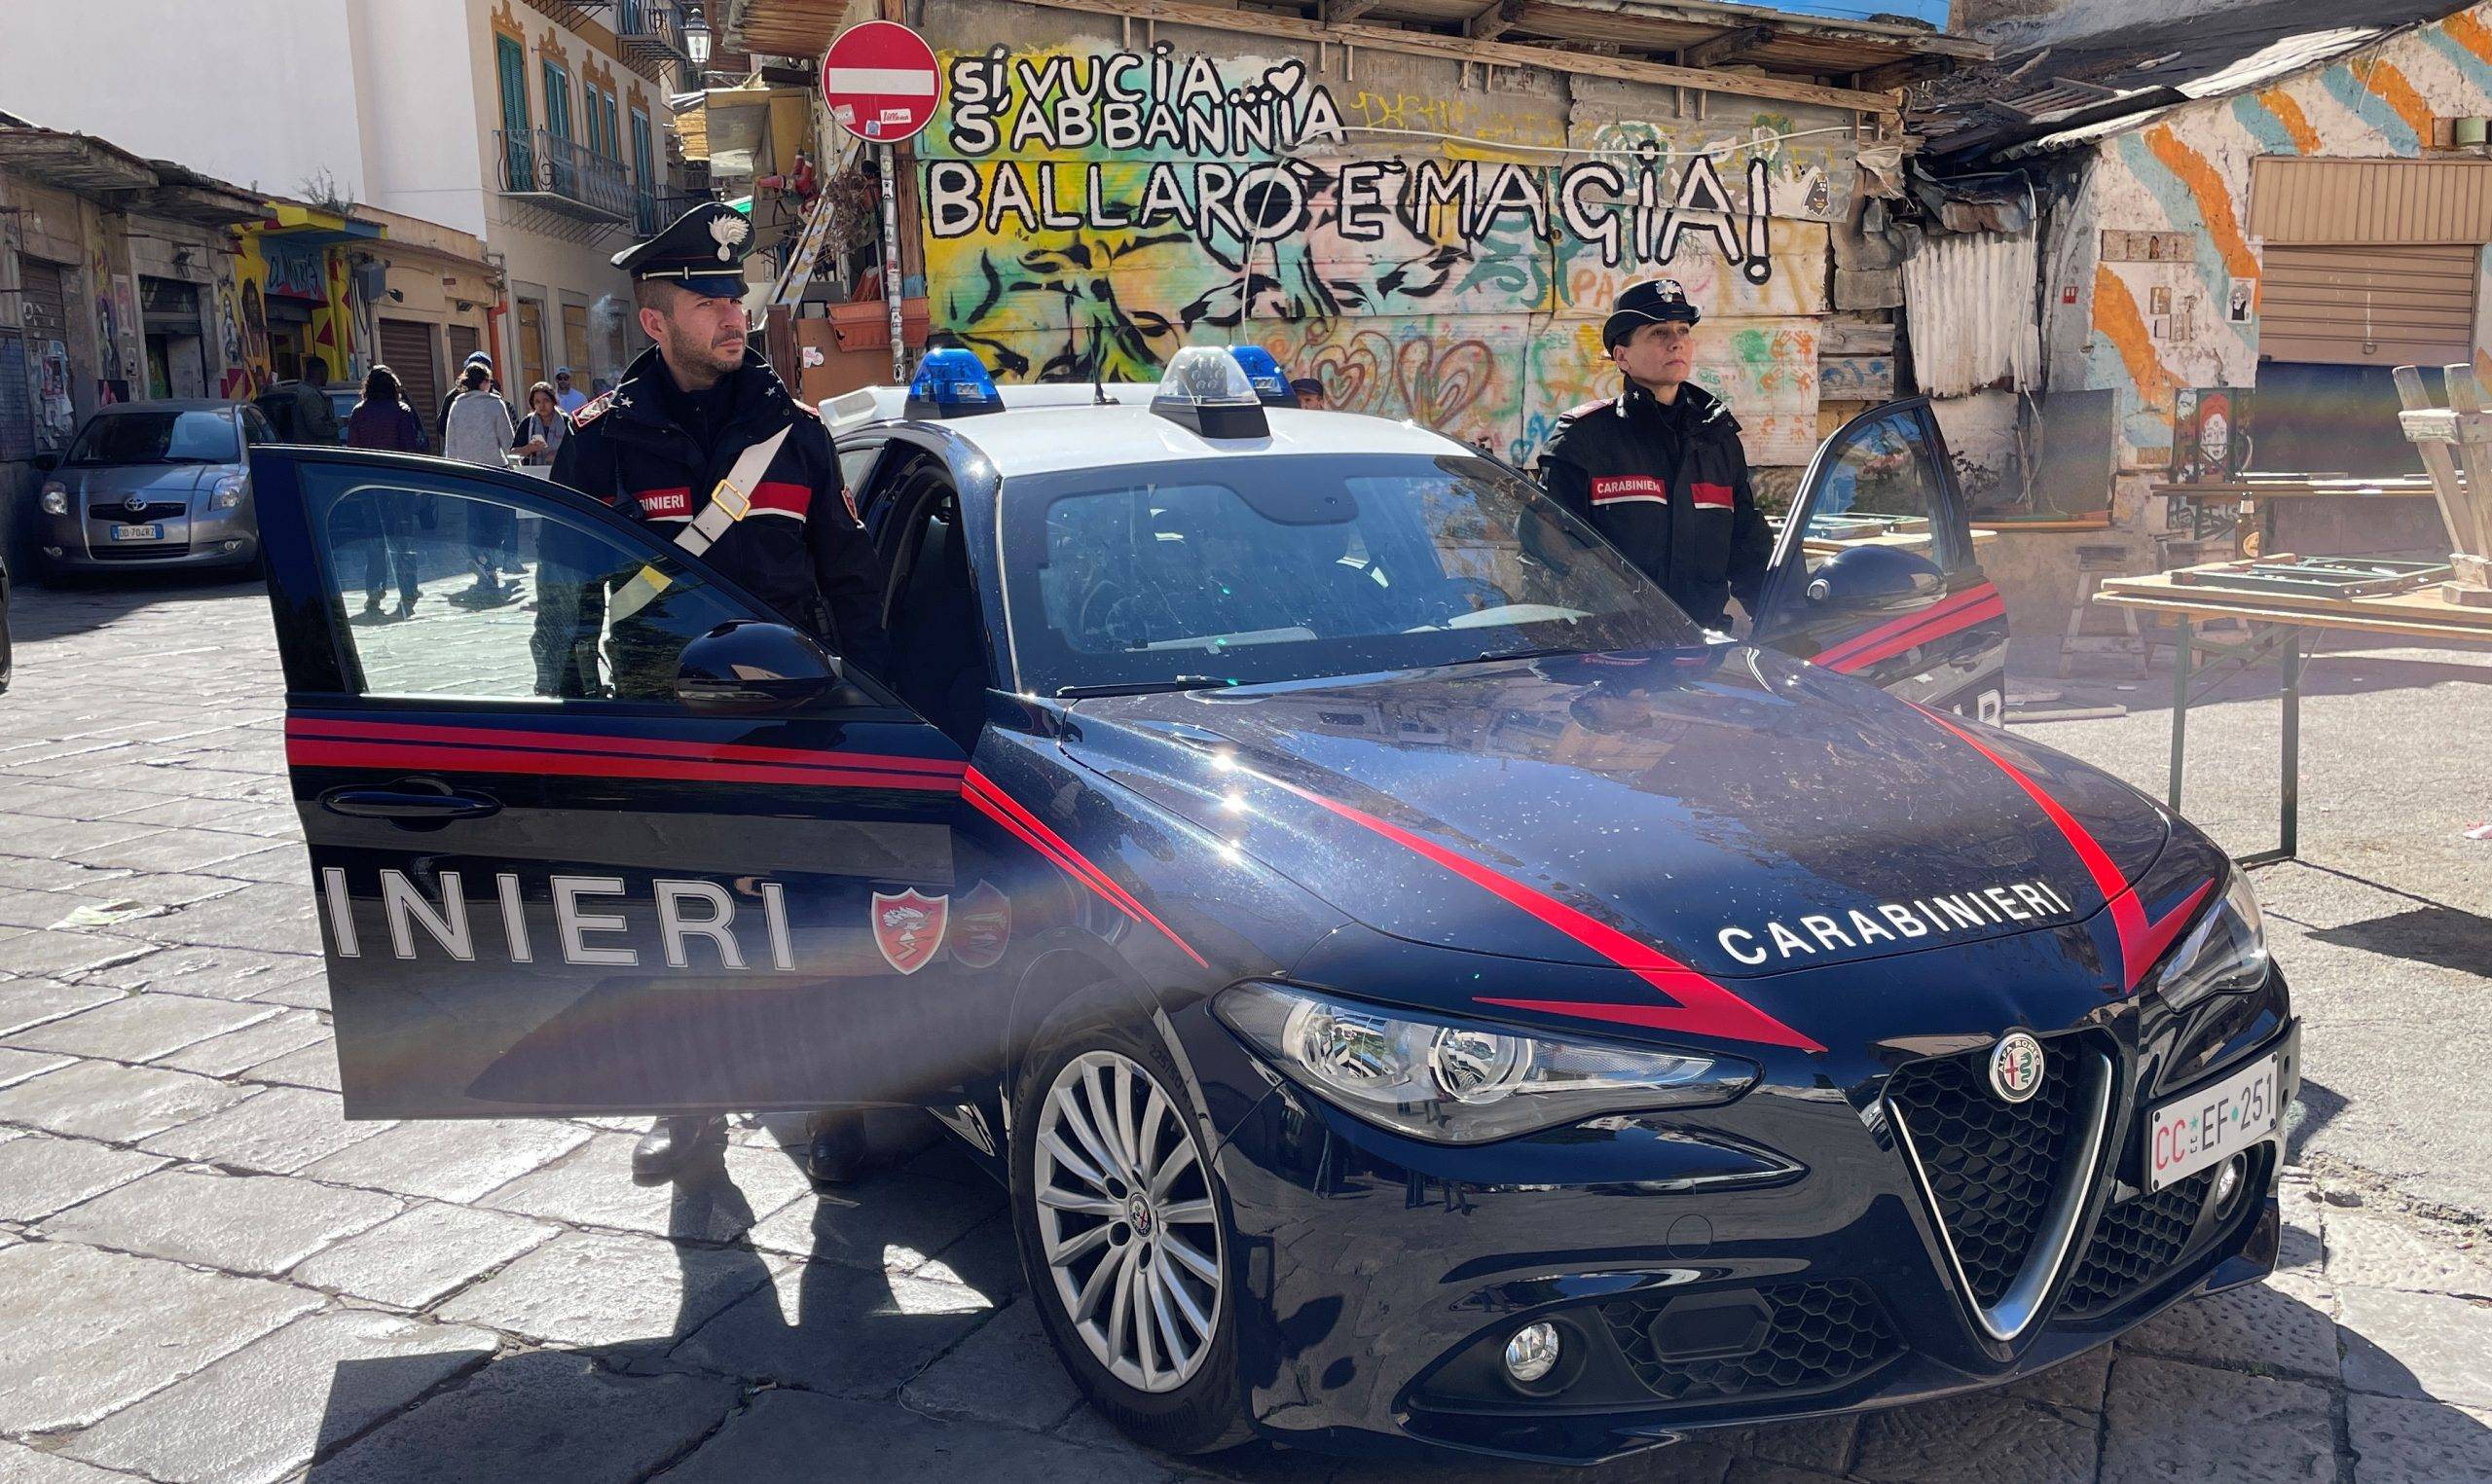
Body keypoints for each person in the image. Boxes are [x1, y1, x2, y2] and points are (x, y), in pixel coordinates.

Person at [538, 201, 891, 1186]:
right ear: (656, 320)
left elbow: (852, 590)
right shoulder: (600, 443)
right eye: (709, 297)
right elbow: (563, 608)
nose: (735, 312)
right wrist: (566, 746)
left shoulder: (797, 436)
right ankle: (690, 1112)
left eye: (737, 293)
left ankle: (832, 1095)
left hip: (788, 725)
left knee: (813, 917)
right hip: (661, 732)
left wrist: (874, 722)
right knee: (674, 927)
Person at [1537, 278, 1772, 631]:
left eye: (1682, 330)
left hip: (1701, 653)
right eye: (1658, 333)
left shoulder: (1717, 438)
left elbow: (1749, 549)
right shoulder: (1582, 440)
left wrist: (1786, 626)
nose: (1676, 341)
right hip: (1613, 661)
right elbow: (1545, 560)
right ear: (1622, 356)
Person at [342, 364, 427, 617]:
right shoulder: (402, 412)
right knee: (403, 540)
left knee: (375, 542)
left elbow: (353, 451)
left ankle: (374, 592)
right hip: (399, 485)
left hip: (370, 486)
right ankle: (408, 590)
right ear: (393, 387)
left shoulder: (358, 413)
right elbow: (410, 450)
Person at [443, 362, 520, 592]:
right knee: (497, 520)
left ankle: (480, 559)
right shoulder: (495, 403)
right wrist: (514, 463)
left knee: (474, 517)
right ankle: (489, 561)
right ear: (485, 382)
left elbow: (450, 440)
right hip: (494, 469)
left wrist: (453, 468)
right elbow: (507, 440)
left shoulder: (457, 404)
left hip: (467, 471)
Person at [514, 380, 568, 474]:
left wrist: (560, 456)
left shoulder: (566, 421)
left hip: (562, 474)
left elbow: (577, 451)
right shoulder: (528, 423)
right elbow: (513, 454)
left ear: (553, 401)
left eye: (546, 400)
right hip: (535, 477)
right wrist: (529, 448)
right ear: (533, 405)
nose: (542, 405)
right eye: (537, 402)